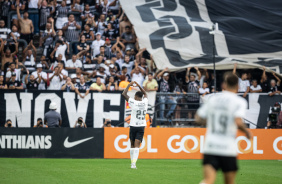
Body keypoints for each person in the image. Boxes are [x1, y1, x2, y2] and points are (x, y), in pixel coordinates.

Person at [195, 72, 252, 184]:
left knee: (208, 180)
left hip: (210, 146)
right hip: (227, 148)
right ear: (238, 86)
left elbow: (198, 118)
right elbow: (238, 121)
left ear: (223, 85)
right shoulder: (239, 102)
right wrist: (247, 132)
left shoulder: (213, 99)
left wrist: (211, 120)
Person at [122, 81, 148, 169]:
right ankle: (133, 164)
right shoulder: (145, 102)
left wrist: (129, 84)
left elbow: (124, 93)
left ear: (136, 96)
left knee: (132, 144)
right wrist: (139, 86)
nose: (133, 97)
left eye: (134, 96)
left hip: (133, 126)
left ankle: (132, 163)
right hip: (141, 126)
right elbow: (145, 93)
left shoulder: (134, 102)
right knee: (137, 145)